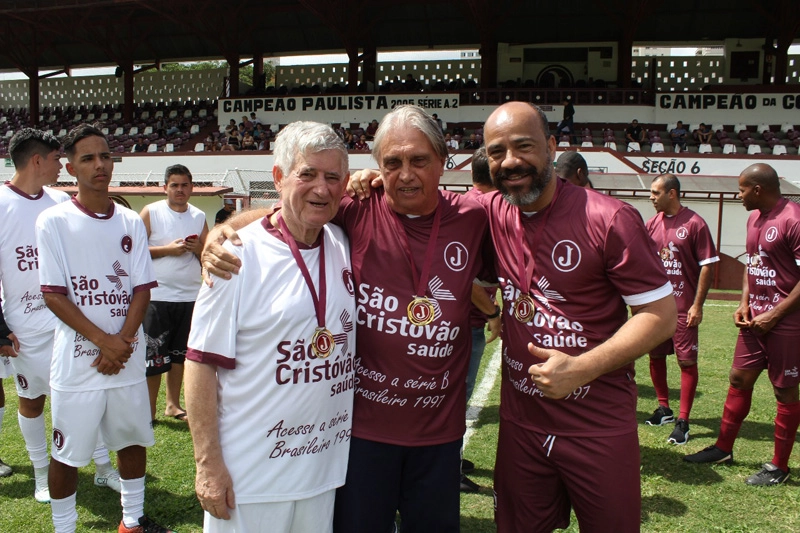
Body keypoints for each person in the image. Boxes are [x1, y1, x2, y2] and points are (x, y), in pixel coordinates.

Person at [202, 105, 497, 533]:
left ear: (443, 160)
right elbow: (288, 213)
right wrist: (224, 232)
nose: (406, 174)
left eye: (418, 160)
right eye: (392, 163)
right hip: (362, 434)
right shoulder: (357, 208)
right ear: (377, 167)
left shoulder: (474, 218)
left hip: (438, 432)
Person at [480, 102, 676, 532]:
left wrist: (583, 367)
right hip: (521, 425)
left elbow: (660, 315)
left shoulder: (609, 218)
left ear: (551, 147)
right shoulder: (491, 213)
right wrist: (374, 180)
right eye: (497, 152)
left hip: (596, 426)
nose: (510, 162)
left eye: (523, 146)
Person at [184, 121, 355, 532]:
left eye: (333, 177)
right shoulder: (236, 257)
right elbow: (201, 363)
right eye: (307, 174)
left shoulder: (342, 242)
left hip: (322, 472)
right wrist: (208, 466)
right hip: (251, 479)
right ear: (278, 178)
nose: (322, 188)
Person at [36, 124, 173, 533]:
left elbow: (142, 289)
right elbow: (54, 294)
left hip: (126, 358)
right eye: (88, 158)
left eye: (105, 156)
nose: (100, 165)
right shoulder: (53, 221)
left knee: (133, 440)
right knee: (68, 454)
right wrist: (105, 343)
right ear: (70, 167)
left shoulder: (130, 220)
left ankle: (132, 520)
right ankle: (65, 528)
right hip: (79, 364)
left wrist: (123, 343)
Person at [0, 128, 121, 503]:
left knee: (88, 395)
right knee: (33, 400)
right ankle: (40, 474)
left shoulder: (60, 201)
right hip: (25, 328)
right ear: (37, 160)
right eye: (56, 159)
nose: (61, 166)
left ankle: (103, 468)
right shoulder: (1, 204)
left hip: (69, 322)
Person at [684, 163, 800, 487]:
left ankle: (779, 466)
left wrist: (775, 314)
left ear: (758, 189)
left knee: (785, 390)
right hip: (754, 319)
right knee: (738, 378)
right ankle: (723, 449)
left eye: (742, 189)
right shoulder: (753, 218)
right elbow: (753, 264)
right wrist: (744, 302)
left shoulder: (794, 219)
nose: (739, 196)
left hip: (787, 323)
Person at [644, 174, 719, 445]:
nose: (651, 197)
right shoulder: (651, 224)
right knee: (656, 357)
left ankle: (683, 421)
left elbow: (708, 265)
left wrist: (697, 305)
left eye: (655, 192)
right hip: (657, 308)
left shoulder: (695, 223)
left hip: (684, 308)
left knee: (686, 362)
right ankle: (664, 408)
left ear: (672, 194)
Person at [140, 164, 208, 423]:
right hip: (157, 296)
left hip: (190, 295)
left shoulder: (199, 215)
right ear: (165, 187)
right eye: (174, 185)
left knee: (180, 355)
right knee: (154, 356)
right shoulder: (152, 212)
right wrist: (167, 250)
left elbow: (207, 253)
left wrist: (196, 247)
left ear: (192, 187)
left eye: (184, 185)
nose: (180, 190)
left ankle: (172, 405)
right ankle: (148, 410)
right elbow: (133, 251)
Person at [460, 146, 500, 493]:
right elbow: (465, 276)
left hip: (460, 317)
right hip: (467, 317)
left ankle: (450, 459)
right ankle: (448, 465)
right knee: (461, 395)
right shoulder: (486, 208)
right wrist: (493, 312)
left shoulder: (466, 202)